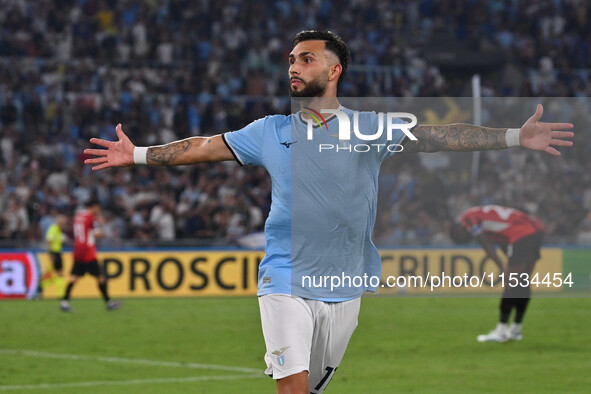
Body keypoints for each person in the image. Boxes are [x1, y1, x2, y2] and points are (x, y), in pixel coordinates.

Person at [84, 30, 573, 393]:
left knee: (314, 387)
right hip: (284, 278)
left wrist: (514, 137)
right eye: (292, 59)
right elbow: (202, 147)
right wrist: (139, 154)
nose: (294, 66)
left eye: (307, 59)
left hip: (345, 285)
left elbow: (438, 137)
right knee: (293, 388)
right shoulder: (268, 130)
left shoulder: (369, 128)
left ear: (334, 70)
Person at [450, 205, 545, 342]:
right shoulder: (482, 216)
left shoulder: (467, 219)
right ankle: (516, 329)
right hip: (536, 229)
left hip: (522, 233)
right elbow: (501, 239)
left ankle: (501, 331)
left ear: (460, 229)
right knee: (523, 282)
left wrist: (502, 267)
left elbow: (485, 243)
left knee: (511, 284)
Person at [61, 199, 121, 312]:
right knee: (100, 277)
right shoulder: (90, 217)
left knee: (74, 277)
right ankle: (109, 303)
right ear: (93, 207)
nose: (98, 210)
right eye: (98, 208)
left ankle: (64, 302)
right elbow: (97, 234)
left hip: (78, 250)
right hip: (88, 252)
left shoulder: (78, 216)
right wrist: (104, 231)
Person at [41, 214, 68, 297]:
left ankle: (40, 289)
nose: (64, 224)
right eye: (63, 222)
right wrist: (51, 254)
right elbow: (49, 241)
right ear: (59, 222)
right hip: (54, 253)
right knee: (58, 274)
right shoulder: (53, 229)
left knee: (53, 274)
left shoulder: (58, 230)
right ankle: (61, 294)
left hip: (57, 252)